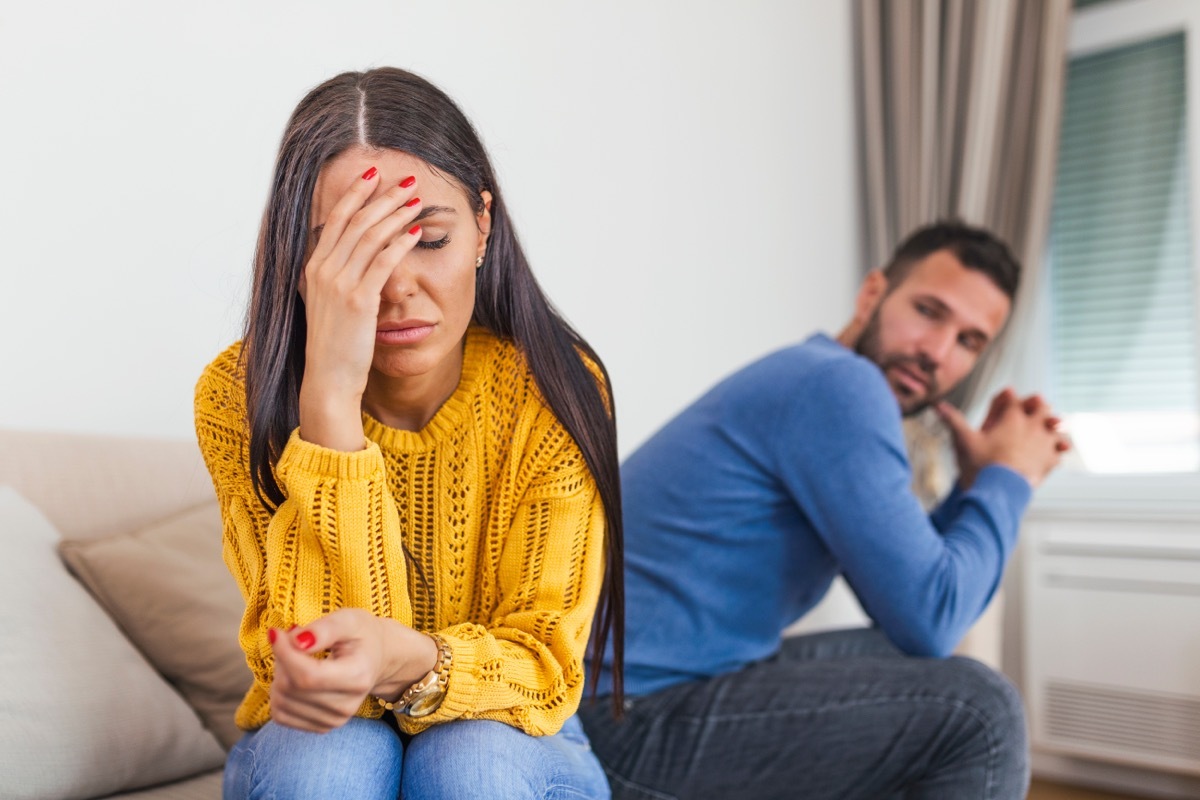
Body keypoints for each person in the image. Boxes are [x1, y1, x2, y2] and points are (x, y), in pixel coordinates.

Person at [194, 67, 623, 800]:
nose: (395, 287)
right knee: (329, 761)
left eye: (428, 238)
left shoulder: (556, 387)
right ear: (301, 259)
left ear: (484, 227)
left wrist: (407, 657)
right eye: (355, 251)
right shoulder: (238, 395)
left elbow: (543, 666)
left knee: (470, 762)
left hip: (514, 731)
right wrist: (329, 398)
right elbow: (320, 680)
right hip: (317, 744)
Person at [579, 221, 1068, 799]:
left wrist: (976, 485)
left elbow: (909, 606)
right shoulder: (841, 387)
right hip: (623, 720)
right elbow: (931, 617)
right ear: (872, 294)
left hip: (652, 692)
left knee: (900, 660)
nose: (936, 352)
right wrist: (1010, 477)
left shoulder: (817, 378)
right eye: (929, 311)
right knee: (980, 714)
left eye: (968, 341)